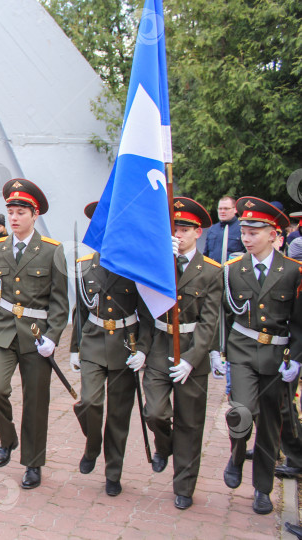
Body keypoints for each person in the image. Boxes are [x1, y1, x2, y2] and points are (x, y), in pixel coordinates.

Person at [0, 178, 69, 490]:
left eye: (21, 211)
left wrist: (53, 337)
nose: (15, 217)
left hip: (36, 335)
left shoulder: (51, 251)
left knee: (35, 402)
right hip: (3, 330)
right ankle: (8, 439)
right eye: (11, 211)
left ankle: (33, 462)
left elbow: (61, 303)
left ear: (35, 215)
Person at [137, 197, 222, 510]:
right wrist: (165, 264)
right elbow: (147, 312)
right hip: (160, 345)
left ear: (198, 232)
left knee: (189, 422)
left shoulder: (211, 271)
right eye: (175, 228)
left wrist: (192, 359)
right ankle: (164, 444)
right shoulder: (160, 263)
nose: (179, 234)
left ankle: (184, 485)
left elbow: (209, 322)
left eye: (186, 229)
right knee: (154, 411)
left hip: (189, 351)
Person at [222, 197, 302, 515]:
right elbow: (224, 316)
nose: (247, 237)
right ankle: (237, 453)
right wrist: (220, 351)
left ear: (273, 234)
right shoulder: (233, 270)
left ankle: (262, 490)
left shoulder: (293, 272)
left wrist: (295, 358)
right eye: (244, 231)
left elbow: (299, 321)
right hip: (241, 350)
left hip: (277, 356)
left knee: (270, 425)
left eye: (254, 232)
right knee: (241, 410)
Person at [69, 202, 145, 497]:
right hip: (92, 339)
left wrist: (145, 349)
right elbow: (80, 311)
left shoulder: (135, 266)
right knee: (89, 402)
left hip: (126, 343)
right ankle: (92, 445)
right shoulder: (83, 266)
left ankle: (113, 471)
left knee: (119, 414)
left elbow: (148, 314)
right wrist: (74, 348)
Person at [203, 195, 245, 263]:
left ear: (235, 210)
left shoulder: (242, 228)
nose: (222, 211)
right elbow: (206, 255)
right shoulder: (212, 229)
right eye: (220, 209)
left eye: (226, 209)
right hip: (213, 271)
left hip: (234, 271)